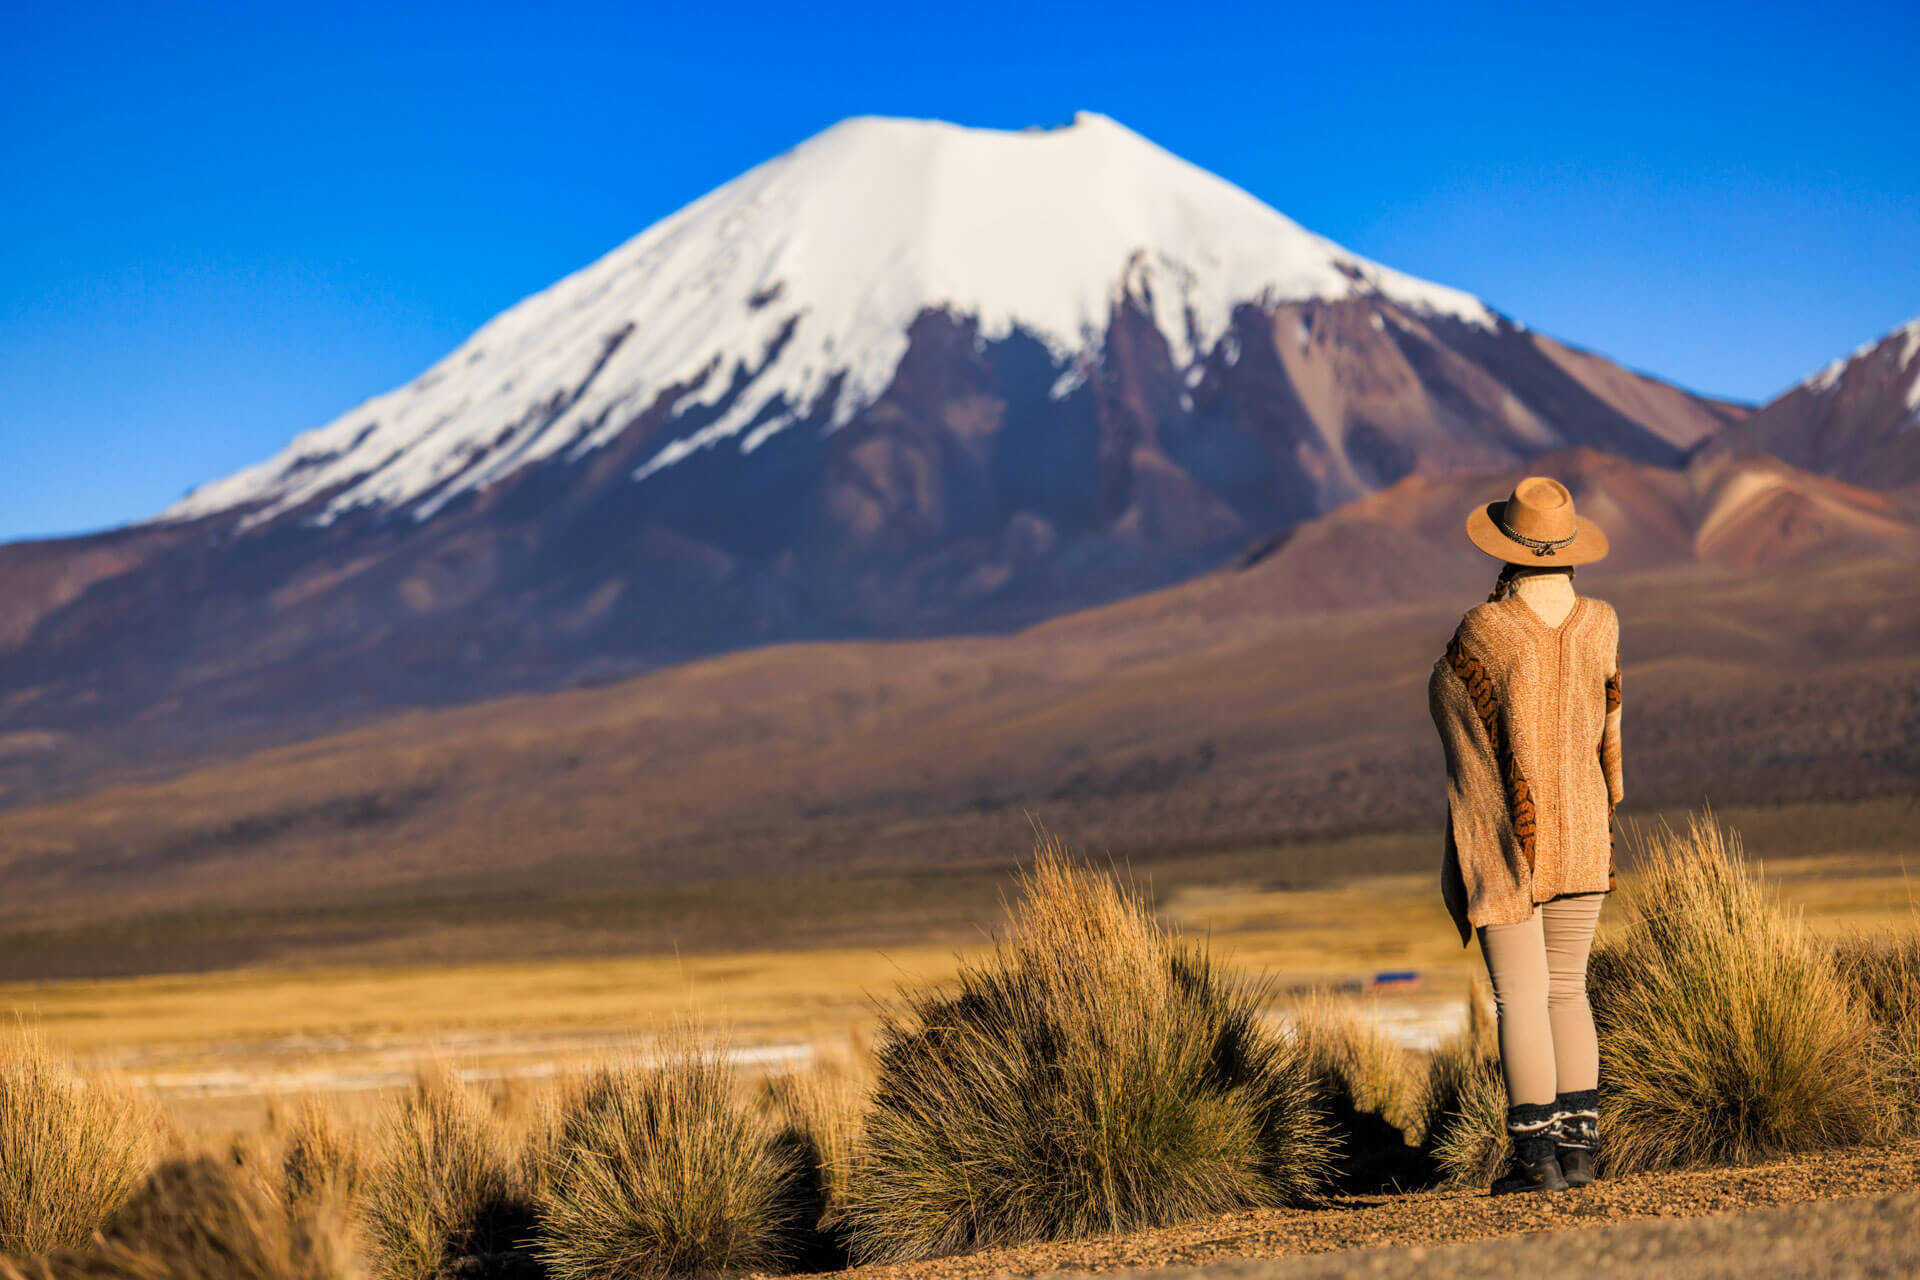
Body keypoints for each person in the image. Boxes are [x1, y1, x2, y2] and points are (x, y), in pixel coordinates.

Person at [1428, 476, 1623, 1195]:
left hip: (1512, 838)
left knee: (1521, 997)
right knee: (1568, 991)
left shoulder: (1486, 629)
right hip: (1585, 834)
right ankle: (1580, 1156)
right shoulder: (1602, 621)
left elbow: (1446, 699)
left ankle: (1533, 1159)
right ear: (1569, 547)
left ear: (1508, 547)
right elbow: (1611, 727)